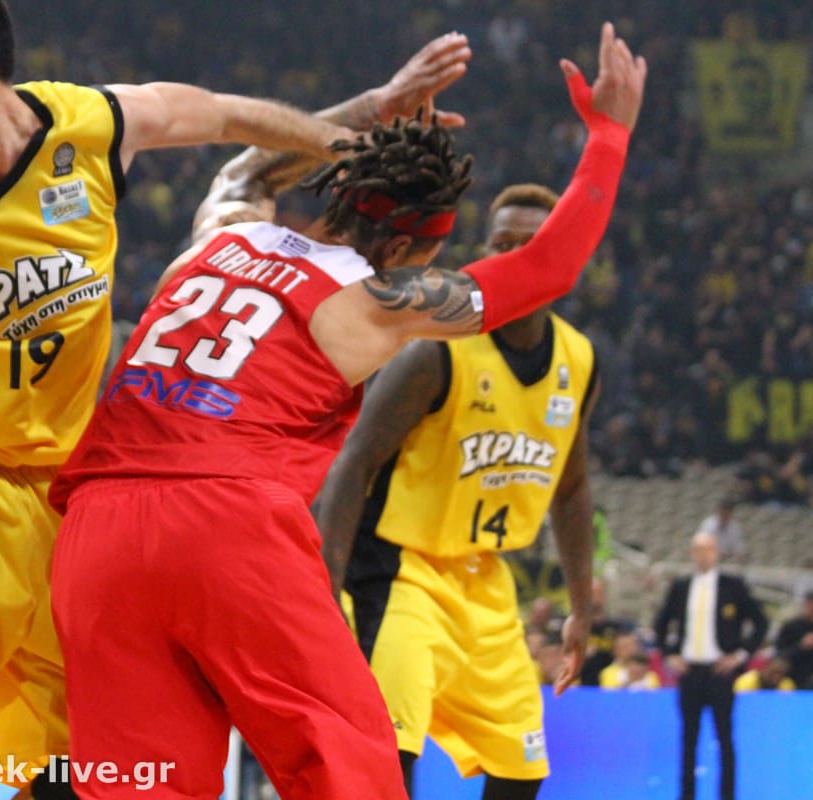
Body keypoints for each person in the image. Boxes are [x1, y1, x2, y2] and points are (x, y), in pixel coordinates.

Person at [0, 1, 372, 797]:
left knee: (71, 772)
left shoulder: (90, 128)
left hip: (69, 503)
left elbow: (226, 115)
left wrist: (354, 139)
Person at [50, 22, 646, 800]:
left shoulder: (222, 236)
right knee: (353, 775)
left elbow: (247, 165)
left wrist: (374, 107)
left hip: (97, 529)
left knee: (139, 787)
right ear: (410, 252)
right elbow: (548, 266)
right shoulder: (373, 300)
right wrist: (609, 135)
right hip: (227, 523)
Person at [314, 175, 602, 798]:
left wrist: (581, 607)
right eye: (501, 243)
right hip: (401, 571)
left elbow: (573, 489)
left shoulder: (578, 360)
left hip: (485, 580)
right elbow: (353, 462)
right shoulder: (436, 349)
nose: (513, 255)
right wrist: (323, 588)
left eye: (530, 244)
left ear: (559, 259)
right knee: (387, 751)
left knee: (522, 767)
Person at [653, 532, 768, 800]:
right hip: (690, 671)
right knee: (688, 739)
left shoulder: (733, 586)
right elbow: (660, 624)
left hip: (720, 671)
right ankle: (687, 796)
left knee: (725, 739)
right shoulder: (681, 587)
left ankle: (727, 796)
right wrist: (670, 655)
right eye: (698, 549)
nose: (704, 555)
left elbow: (761, 622)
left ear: (717, 552)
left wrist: (740, 655)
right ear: (692, 553)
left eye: (709, 549)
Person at [697, 497, 745, 561]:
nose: (724, 514)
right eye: (723, 511)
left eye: (727, 512)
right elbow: (701, 544)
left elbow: (739, 548)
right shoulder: (708, 524)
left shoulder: (735, 528)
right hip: (709, 558)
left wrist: (739, 554)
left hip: (728, 559)